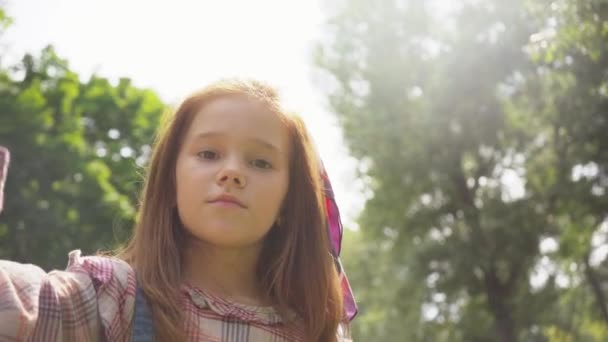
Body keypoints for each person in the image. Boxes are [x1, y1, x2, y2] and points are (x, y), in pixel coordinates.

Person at [0, 79, 357, 341]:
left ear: (288, 202)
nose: (230, 172)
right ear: (171, 182)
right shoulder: (111, 298)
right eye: (208, 154)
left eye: (260, 162)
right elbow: (17, 309)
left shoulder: (317, 332)